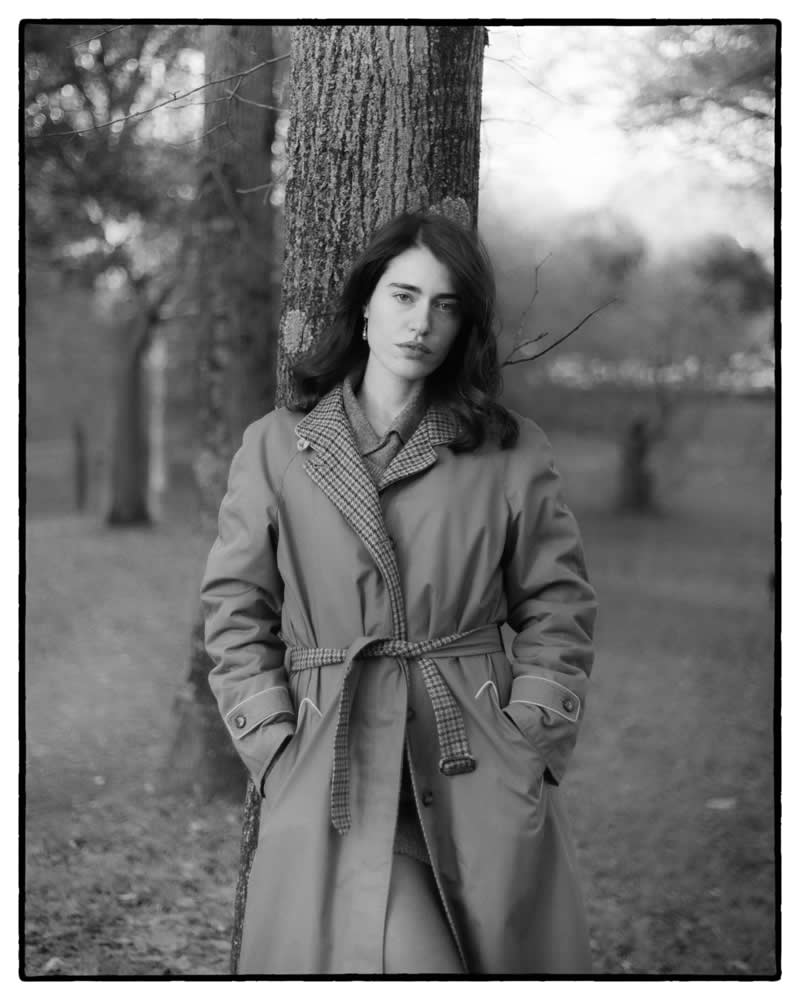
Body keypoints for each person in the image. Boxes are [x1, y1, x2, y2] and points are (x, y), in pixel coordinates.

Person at [201, 211, 598, 975]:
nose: (422, 322)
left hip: (470, 758)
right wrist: (274, 744)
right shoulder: (279, 446)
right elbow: (234, 609)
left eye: (446, 306)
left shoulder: (508, 450)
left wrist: (529, 733)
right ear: (366, 303)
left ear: (465, 325)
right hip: (331, 756)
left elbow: (559, 604)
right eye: (405, 295)